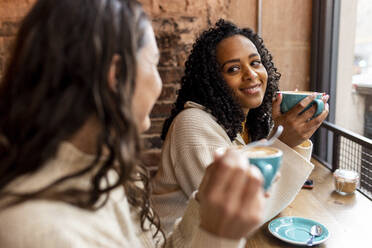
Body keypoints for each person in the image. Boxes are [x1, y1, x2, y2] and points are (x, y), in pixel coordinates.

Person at [0, 1, 267, 247]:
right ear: (117, 77)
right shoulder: (43, 229)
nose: (159, 84)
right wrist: (219, 237)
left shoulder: (109, 169)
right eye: (153, 64)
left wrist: (208, 210)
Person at [151, 19, 329, 234]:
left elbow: (266, 197)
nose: (251, 75)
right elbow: (233, 212)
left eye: (255, 62)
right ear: (213, 80)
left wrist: (286, 137)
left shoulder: (247, 121)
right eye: (233, 69)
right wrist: (284, 142)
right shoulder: (191, 124)